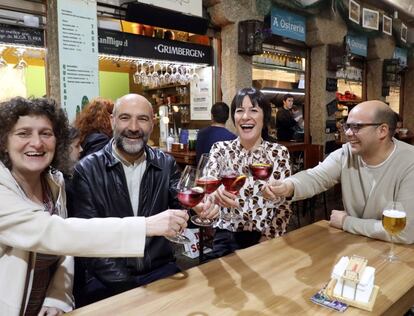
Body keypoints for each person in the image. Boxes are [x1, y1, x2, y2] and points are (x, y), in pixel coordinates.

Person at [0, 97, 189, 316]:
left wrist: (58, 296)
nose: (37, 143)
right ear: (4, 140)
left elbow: (65, 250)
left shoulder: (54, 182)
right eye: (23, 133)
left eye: (46, 133)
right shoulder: (84, 170)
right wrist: (145, 226)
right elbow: (54, 233)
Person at [70, 93, 218, 305]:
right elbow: (87, 243)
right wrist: (131, 289)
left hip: (161, 270)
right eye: (125, 118)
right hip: (107, 278)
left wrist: (201, 207)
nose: (133, 127)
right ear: (112, 121)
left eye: (142, 118)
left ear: (152, 124)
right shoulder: (87, 170)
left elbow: (179, 200)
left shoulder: (165, 163)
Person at [264, 100, 414, 244]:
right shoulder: (346, 154)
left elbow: (404, 232)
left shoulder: (409, 162)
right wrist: (288, 186)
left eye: (356, 127)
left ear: (382, 130)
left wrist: (346, 222)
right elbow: (316, 177)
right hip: (355, 243)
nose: (348, 133)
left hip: (398, 254)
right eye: (347, 126)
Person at [206, 87, 292, 259]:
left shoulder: (278, 153)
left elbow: (285, 204)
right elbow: (208, 186)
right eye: (239, 111)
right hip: (226, 235)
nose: (245, 117)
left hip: (264, 234)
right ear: (234, 118)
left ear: (265, 117)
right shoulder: (220, 149)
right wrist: (213, 194)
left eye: (253, 110)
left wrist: (268, 237)